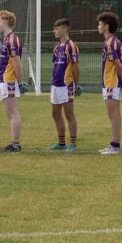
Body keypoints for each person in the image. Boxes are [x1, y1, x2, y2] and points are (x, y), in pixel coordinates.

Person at [97, 12, 122, 155]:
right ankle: (113, 144)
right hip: (110, 83)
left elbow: (118, 64)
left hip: (112, 83)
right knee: (112, 114)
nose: (98, 26)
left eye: (100, 24)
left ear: (106, 26)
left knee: (114, 114)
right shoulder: (114, 41)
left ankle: (115, 145)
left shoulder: (111, 43)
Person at [47, 18, 80, 151]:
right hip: (55, 85)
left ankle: (72, 143)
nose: (54, 31)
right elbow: (56, 65)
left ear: (65, 29)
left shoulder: (71, 46)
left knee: (69, 114)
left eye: (56, 28)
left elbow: (76, 68)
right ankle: (61, 143)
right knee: (55, 113)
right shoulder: (57, 47)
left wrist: (75, 85)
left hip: (66, 85)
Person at [0, 10, 23, 152]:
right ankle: (13, 142)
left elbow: (17, 63)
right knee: (9, 113)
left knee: (13, 112)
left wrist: (19, 81)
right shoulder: (6, 39)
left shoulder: (12, 39)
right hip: (5, 80)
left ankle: (15, 144)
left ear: (6, 22)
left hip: (9, 80)